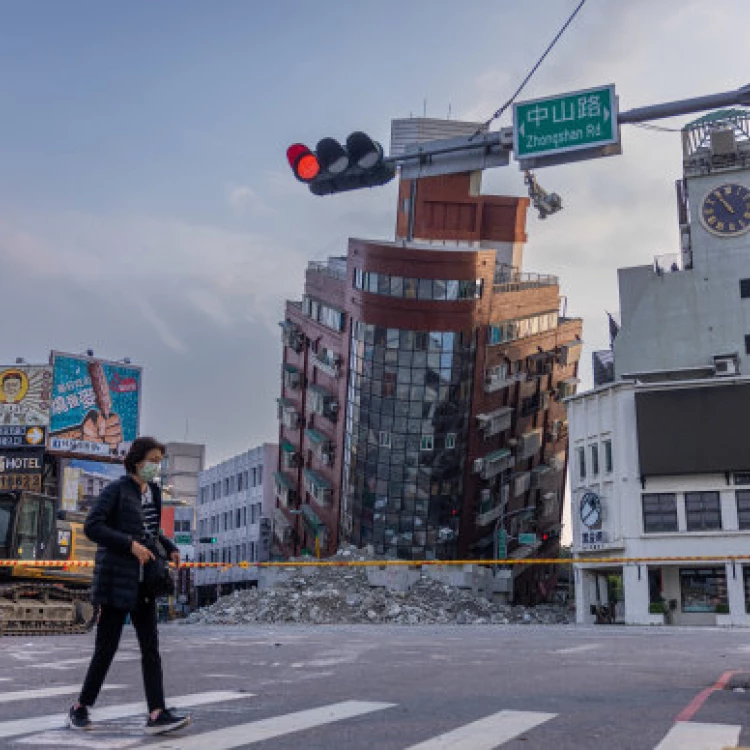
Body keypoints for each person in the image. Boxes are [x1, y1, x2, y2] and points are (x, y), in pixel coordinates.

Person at [68, 436, 190, 736]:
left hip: (144, 583)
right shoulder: (116, 491)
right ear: (137, 461)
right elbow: (92, 526)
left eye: (159, 463)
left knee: (151, 649)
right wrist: (129, 545)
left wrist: (170, 546)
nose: (156, 468)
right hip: (117, 581)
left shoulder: (154, 492)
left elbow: (150, 531)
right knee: (106, 649)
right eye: (153, 461)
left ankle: (157, 712)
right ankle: (80, 707)